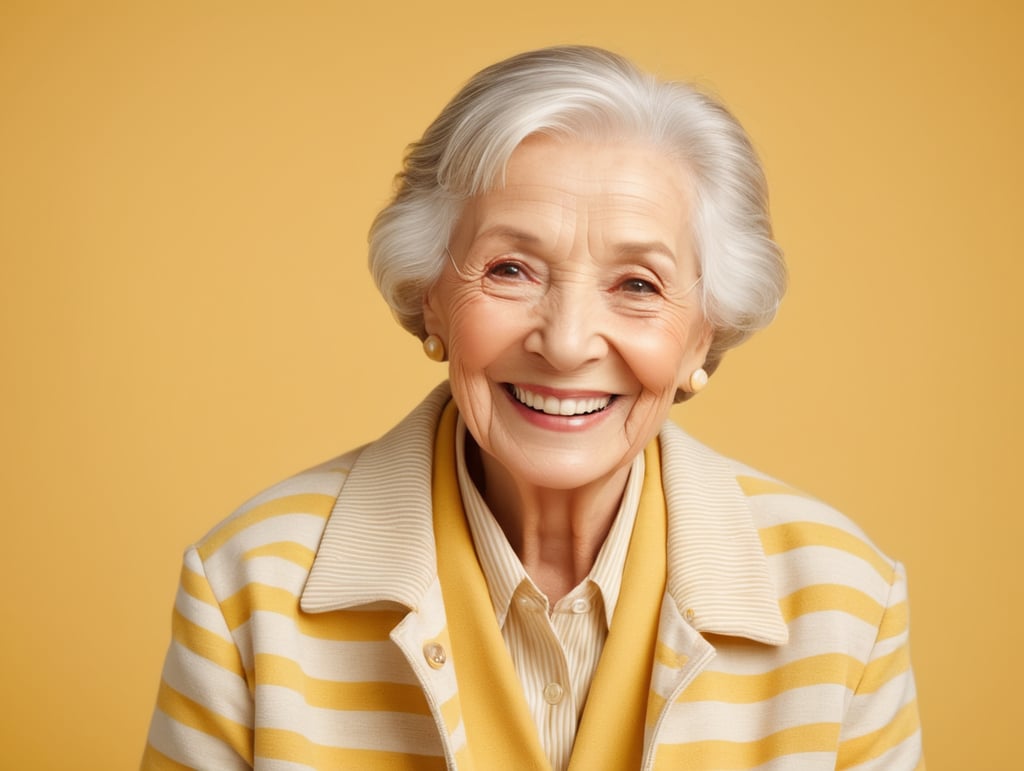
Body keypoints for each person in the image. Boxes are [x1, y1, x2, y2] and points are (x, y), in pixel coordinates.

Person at [141, 46, 923, 770]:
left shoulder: (843, 602)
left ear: (701, 338)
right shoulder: (247, 586)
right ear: (431, 301)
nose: (568, 340)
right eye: (511, 269)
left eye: (639, 285)